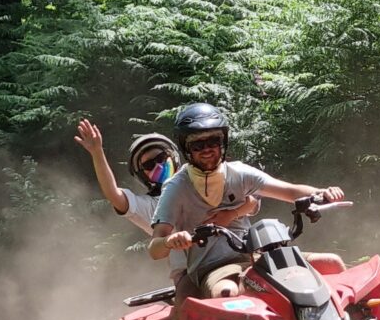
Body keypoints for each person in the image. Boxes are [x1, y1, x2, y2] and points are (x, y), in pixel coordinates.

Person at [149, 102, 346, 299]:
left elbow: (290, 191)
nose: (207, 149)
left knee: (332, 263)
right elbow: (154, 249)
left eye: (213, 141)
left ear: (223, 142)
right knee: (227, 291)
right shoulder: (176, 187)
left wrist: (321, 193)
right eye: (198, 144)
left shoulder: (240, 173)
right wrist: (169, 241)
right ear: (186, 148)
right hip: (214, 267)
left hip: (258, 256)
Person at [75, 118, 257, 284]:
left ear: (174, 156)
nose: (158, 166)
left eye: (161, 158)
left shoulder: (207, 179)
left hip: (241, 256)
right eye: (148, 165)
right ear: (142, 175)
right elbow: (114, 195)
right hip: (192, 274)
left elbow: (253, 200)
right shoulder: (151, 205)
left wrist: (234, 213)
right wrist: (97, 152)